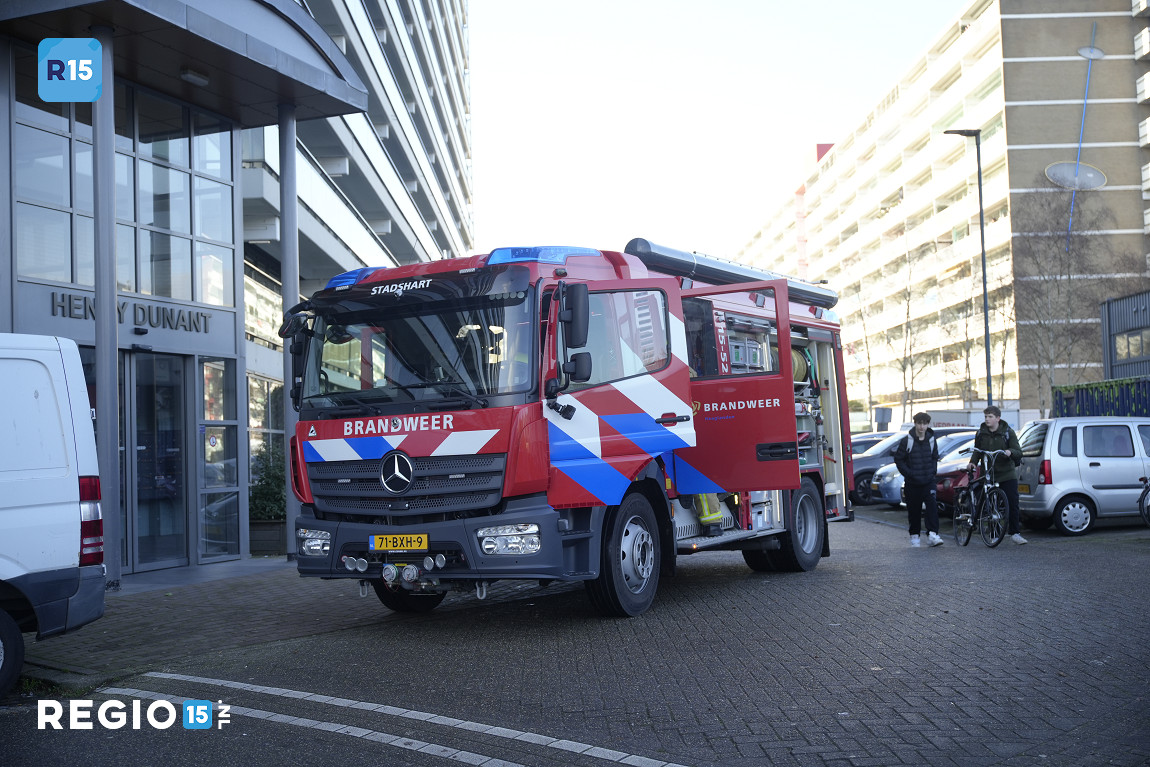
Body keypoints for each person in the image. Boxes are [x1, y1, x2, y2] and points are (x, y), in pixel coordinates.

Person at [970, 405, 1027, 545]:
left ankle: (1015, 533)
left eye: (990, 417)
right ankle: (993, 533)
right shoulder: (981, 433)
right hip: (989, 474)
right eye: (986, 417)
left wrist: (1010, 452)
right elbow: (977, 451)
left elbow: (1018, 451)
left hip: (1007, 473)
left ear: (998, 418)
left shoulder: (1008, 432)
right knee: (990, 505)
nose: (987, 419)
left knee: (1012, 503)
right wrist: (972, 462)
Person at [893, 412, 944, 547]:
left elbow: (934, 457)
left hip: (928, 481)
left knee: (932, 506)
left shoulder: (932, 440)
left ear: (928, 424)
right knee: (914, 510)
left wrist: (933, 471)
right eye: (919, 423)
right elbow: (898, 459)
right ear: (915, 423)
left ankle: (933, 534)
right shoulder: (907, 441)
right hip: (912, 482)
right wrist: (909, 473)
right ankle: (914, 537)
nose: (921, 427)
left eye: (924, 423)